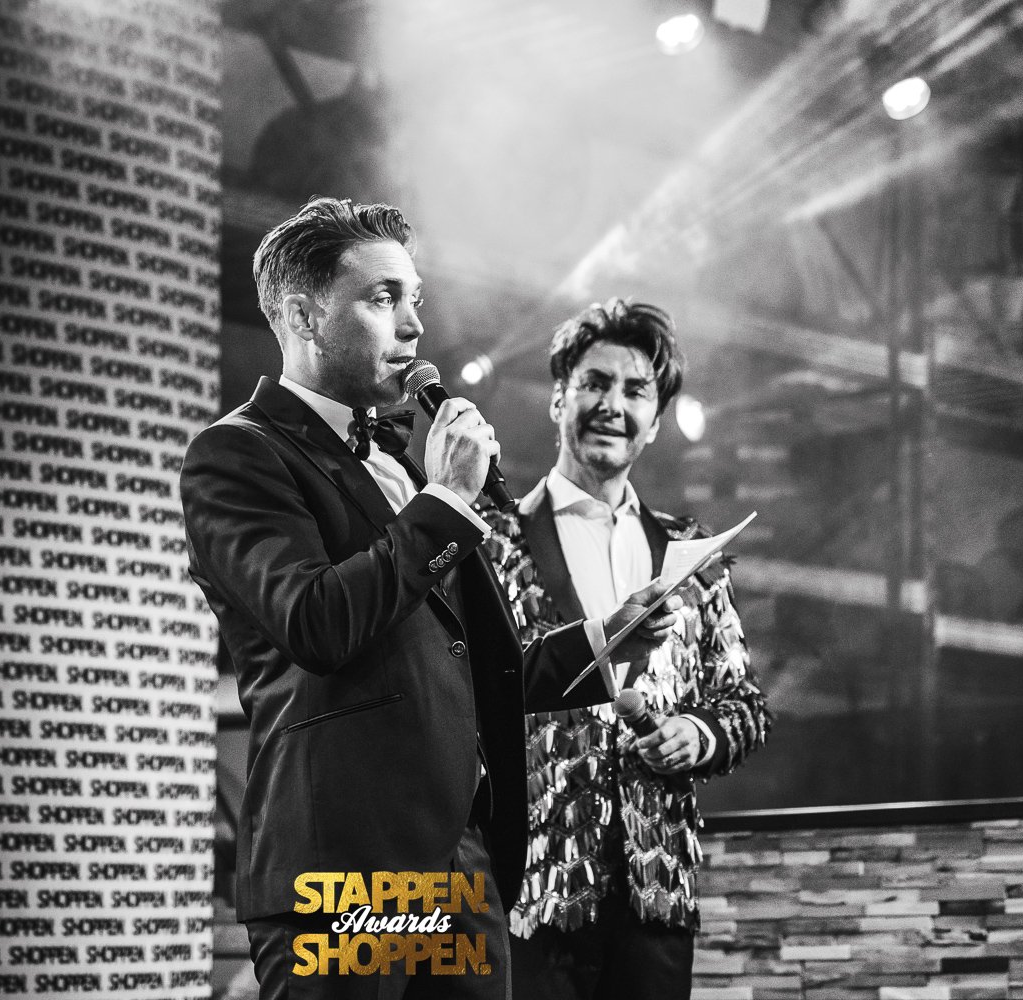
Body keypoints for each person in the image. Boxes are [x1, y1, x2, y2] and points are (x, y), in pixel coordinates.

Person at [182, 199, 680, 1000]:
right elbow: (316, 621)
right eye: (384, 298)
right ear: (305, 317)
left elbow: (463, 665)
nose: (415, 326)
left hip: (461, 873)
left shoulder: (402, 469)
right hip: (343, 875)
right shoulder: (237, 454)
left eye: (415, 298)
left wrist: (600, 640)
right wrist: (446, 499)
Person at [483, 298, 771, 1000]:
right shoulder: (490, 542)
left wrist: (698, 734)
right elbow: (465, 694)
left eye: (635, 390)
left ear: (656, 421)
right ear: (558, 399)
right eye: (595, 383)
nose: (613, 405)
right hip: (527, 895)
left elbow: (745, 704)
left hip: (656, 896)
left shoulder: (692, 554)